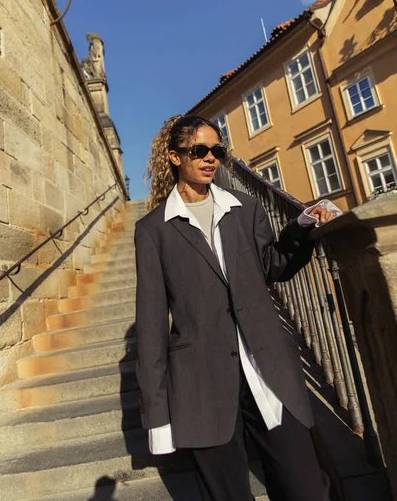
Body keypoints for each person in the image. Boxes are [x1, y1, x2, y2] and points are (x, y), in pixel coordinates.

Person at [135, 114, 338, 501]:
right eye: (200, 150)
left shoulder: (244, 208)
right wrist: (157, 416)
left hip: (267, 372)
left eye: (217, 150)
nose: (211, 158)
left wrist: (301, 227)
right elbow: (150, 326)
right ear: (175, 156)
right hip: (201, 384)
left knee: (307, 488)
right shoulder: (153, 230)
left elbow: (272, 265)